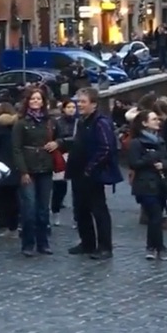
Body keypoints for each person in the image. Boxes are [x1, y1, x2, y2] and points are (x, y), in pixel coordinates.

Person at [48, 87, 122, 260]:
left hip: (93, 174)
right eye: (78, 101)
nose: (79, 105)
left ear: (94, 104)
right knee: (81, 209)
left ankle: (105, 247)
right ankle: (87, 243)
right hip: (78, 172)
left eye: (83, 102)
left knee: (98, 210)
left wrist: (90, 168)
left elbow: (105, 148)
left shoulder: (101, 122)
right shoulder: (82, 121)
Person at [12, 86, 55, 255]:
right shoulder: (21, 123)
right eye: (33, 99)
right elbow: (16, 148)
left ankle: (43, 242)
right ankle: (28, 243)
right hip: (28, 168)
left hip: (45, 167)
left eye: (39, 99)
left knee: (43, 209)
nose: (36, 101)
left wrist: (57, 143)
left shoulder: (49, 121)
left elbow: (61, 137)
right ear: (27, 101)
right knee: (29, 208)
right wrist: (23, 171)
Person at [127, 109, 167, 259]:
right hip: (145, 184)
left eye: (158, 119)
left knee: (155, 217)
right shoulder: (136, 142)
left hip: (161, 183)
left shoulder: (161, 141)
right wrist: (150, 158)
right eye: (154, 119)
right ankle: (160, 247)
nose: (158, 122)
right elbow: (133, 163)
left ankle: (151, 246)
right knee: (155, 215)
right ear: (144, 123)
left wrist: (163, 164)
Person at [0, 103, 20, 240]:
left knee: (4, 200)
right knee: (16, 199)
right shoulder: (17, 126)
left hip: (1, 167)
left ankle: (10, 226)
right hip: (17, 166)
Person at [51, 99, 77, 225]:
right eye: (69, 107)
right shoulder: (57, 122)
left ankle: (77, 218)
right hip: (62, 155)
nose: (71, 109)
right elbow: (53, 138)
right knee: (59, 187)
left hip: (76, 155)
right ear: (64, 109)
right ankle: (55, 211)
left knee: (77, 188)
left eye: (73, 107)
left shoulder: (79, 122)